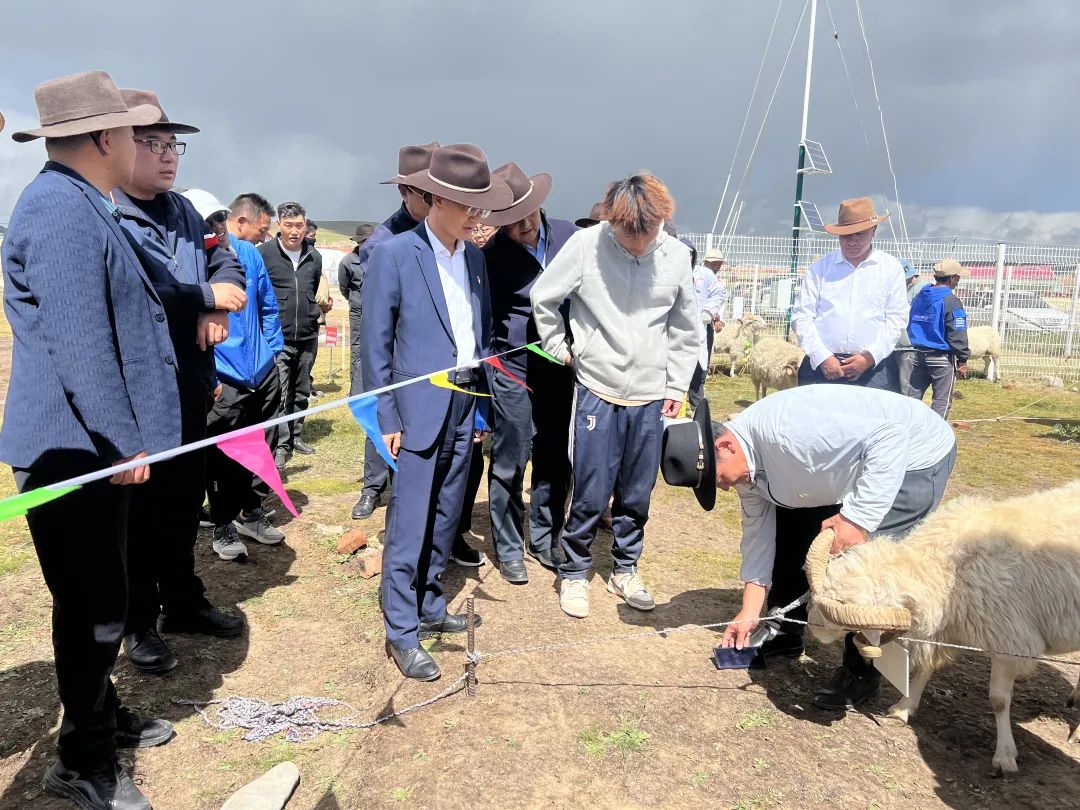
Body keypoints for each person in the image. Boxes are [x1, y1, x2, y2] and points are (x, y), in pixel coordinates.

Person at [3, 69, 176, 810]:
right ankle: (82, 762)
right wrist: (120, 441)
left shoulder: (79, 200)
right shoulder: (61, 210)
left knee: (99, 593)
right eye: (135, 133)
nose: (144, 146)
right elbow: (81, 343)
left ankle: (98, 716)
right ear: (105, 137)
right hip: (76, 451)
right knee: (92, 605)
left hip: (87, 446)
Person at [362, 144, 512, 680]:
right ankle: (401, 629)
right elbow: (375, 346)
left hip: (465, 404)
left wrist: (483, 407)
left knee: (447, 514)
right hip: (417, 409)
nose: (478, 218)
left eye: (481, 207)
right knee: (409, 519)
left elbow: (483, 333)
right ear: (440, 200)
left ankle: (429, 601)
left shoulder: (473, 258)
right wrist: (388, 416)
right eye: (471, 207)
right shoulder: (395, 254)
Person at [113, 89, 248, 676]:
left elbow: (227, 263)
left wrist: (215, 307)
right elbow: (144, 288)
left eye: (174, 145)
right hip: (138, 395)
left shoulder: (186, 212)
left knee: (179, 503)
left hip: (191, 387)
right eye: (154, 144)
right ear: (115, 144)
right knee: (138, 516)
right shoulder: (108, 211)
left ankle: (183, 603)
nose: (168, 157)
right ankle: (137, 622)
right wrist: (201, 297)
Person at [715, 385, 956, 710]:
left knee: (870, 569)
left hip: (914, 454)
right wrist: (748, 611)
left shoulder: (789, 435)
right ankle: (784, 632)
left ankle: (861, 674)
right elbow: (759, 538)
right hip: (846, 466)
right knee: (791, 527)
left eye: (718, 479)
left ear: (726, 446)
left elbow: (890, 436)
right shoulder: (747, 463)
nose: (724, 487)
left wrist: (858, 519)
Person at [531, 174, 698, 619]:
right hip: (596, 388)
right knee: (589, 487)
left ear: (661, 221)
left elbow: (685, 327)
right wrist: (558, 347)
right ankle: (574, 571)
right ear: (613, 221)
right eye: (629, 233)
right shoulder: (587, 245)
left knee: (637, 490)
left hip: (650, 394)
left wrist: (677, 385)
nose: (639, 243)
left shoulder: (677, 256)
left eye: (648, 232)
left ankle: (626, 568)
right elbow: (544, 297)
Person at [479, 162, 577, 583]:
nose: (524, 227)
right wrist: (490, 371)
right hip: (513, 368)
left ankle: (545, 537)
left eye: (529, 217)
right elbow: (483, 321)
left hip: (560, 367)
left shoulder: (571, 237)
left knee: (555, 456)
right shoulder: (490, 256)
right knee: (511, 456)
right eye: (513, 222)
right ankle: (507, 545)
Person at [186, 190, 287, 561]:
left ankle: (251, 511)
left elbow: (267, 306)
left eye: (219, 219)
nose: (217, 228)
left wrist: (273, 352)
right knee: (223, 453)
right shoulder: (190, 265)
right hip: (224, 377)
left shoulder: (248, 255)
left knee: (263, 446)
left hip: (262, 371)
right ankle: (223, 521)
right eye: (208, 223)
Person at [350, 141, 439, 521]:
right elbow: (378, 323)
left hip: (436, 357)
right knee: (384, 419)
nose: (438, 201)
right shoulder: (383, 245)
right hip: (399, 359)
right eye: (428, 195)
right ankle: (373, 486)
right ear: (405, 193)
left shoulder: (448, 234)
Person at [791, 197, 908, 391]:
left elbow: (897, 319)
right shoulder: (819, 269)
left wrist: (868, 357)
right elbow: (802, 317)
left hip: (873, 369)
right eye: (846, 235)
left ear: (874, 231)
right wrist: (823, 357)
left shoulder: (890, 268)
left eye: (860, 234)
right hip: (821, 367)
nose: (853, 241)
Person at [260, 201, 324, 467]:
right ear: (279, 225)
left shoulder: (314, 256)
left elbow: (313, 288)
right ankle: (281, 445)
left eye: (299, 225)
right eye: (289, 225)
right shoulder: (265, 254)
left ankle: (296, 435)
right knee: (281, 393)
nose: (295, 231)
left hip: (308, 335)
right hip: (279, 338)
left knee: (302, 391)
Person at [908, 258, 970, 418]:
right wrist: (963, 358)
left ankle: (908, 429)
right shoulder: (952, 301)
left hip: (918, 355)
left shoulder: (921, 296)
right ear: (952, 278)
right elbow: (957, 332)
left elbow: (909, 321)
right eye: (958, 277)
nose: (958, 280)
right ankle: (936, 437)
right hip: (941, 358)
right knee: (941, 402)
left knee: (912, 398)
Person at [687, 242, 727, 413]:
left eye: (719, 262)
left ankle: (697, 412)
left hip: (702, 327)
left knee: (698, 369)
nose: (716, 265)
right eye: (714, 262)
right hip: (676, 331)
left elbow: (719, 294)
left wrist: (709, 312)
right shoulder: (671, 272)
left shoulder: (705, 275)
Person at [338, 221, 376, 401]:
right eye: (364, 241)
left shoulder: (382, 258)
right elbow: (344, 288)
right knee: (358, 349)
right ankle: (356, 391)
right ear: (358, 243)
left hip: (379, 311)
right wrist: (356, 301)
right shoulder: (348, 262)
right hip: (358, 311)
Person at [892, 259, 928, 396]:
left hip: (908, 345)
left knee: (906, 383)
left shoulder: (921, 290)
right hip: (899, 343)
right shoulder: (907, 289)